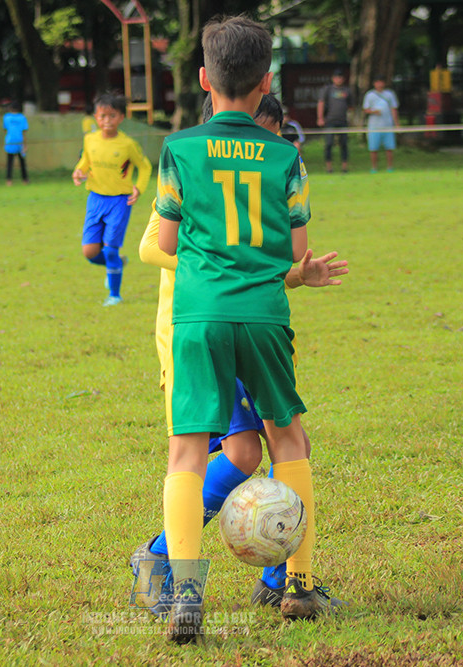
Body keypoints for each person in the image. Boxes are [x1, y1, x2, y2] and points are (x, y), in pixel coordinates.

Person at [132, 92, 348, 620]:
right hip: (195, 329)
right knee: (249, 450)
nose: (264, 144)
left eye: (272, 135)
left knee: (272, 446)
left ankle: (281, 578)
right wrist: (224, 267)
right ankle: (160, 559)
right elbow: (150, 246)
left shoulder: (246, 165)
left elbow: (277, 259)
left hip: (242, 321)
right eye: (259, 132)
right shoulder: (194, 164)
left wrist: (297, 274)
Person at [154, 15, 327, 643]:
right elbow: (295, 257)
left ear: (204, 78)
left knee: (187, 452)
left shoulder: (179, 150)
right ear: (267, 82)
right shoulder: (288, 157)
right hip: (263, 314)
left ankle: (185, 596)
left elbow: (167, 239)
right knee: (289, 441)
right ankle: (300, 586)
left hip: (197, 316)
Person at [72, 92, 152, 307]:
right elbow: (85, 161)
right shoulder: (90, 140)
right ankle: (115, 264)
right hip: (95, 199)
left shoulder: (127, 144)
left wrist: (139, 189)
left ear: (121, 118)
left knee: (109, 249)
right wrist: (79, 172)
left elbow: (145, 166)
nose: (107, 120)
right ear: (96, 117)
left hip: (119, 202)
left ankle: (115, 295)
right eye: (102, 116)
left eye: (112, 116)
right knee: (90, 252)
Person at [316, 69, 354, 173]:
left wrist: (351, 119)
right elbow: (321, 103)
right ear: (333, 78)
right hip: (330, 120)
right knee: (328, 144)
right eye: (337, 77)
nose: (339, 79)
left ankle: (344, 167)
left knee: (344, 144)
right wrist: (320, 118)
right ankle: (329, 167)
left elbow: (351, 107)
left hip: (343, 121)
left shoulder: (347, 91)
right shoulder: (327, 90)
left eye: (341, 77)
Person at [363, 78, 400, 173]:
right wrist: (373, 111)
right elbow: (365, 109)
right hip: (374, 126)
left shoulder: (389, 94)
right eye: (377, 82)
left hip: (387, 125)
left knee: (389, 148)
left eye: (381, 82)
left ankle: (390, 167)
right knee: (373, 148)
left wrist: (396, 124)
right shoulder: (369, 95)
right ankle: (374, 168)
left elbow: (393, 109)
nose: (379, 84)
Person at [3, 102, 29, 186]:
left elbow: (5, 130)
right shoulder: (22, 117)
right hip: (20, 142)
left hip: (10, 142)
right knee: (22, 163)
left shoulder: (6, 117)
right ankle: (25, 180)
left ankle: (9, 181)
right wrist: (25, 144)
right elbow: (24, 132)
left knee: (9, 163)